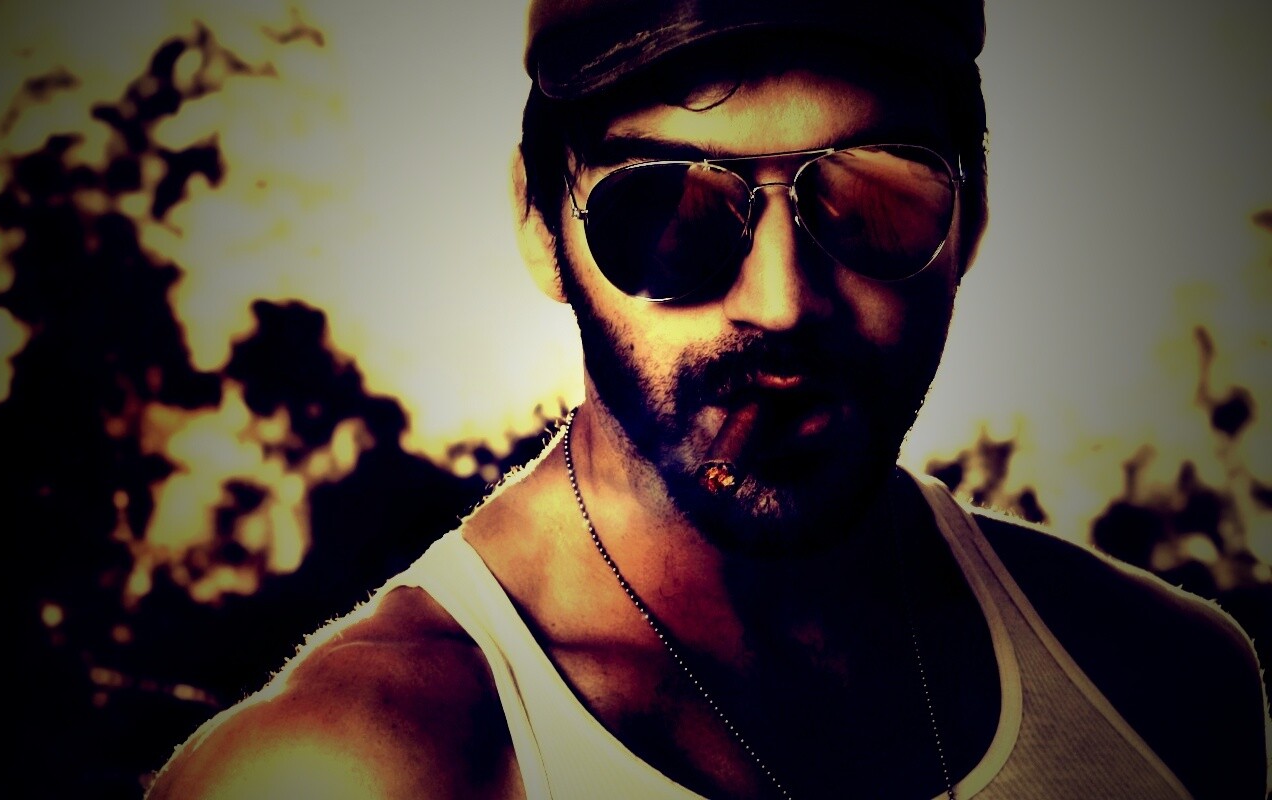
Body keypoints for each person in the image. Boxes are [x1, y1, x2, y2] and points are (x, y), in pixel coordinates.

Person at [144, 1, 1270, 798]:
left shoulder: (1167, 689)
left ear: (968, 222)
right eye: (667, 209)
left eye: (876, 196)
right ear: (540, 225)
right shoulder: (354, 768)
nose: (781, 302)